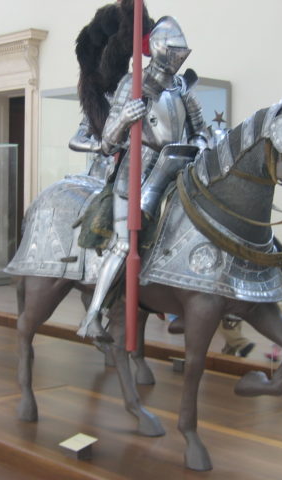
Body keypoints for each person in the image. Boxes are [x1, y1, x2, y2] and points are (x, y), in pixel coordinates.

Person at [78, 15, 210, 340]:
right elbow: (108, 141)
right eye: (174, 50)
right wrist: (124, 117)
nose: (179, 57)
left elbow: (201, 129)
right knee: (124, 244)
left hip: (179, 170)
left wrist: (203, 143)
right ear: (159, 50)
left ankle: (182, 306)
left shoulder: (181, 89)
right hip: (137, 173)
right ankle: (93, 316)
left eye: (182, 50)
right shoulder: (133, 85)